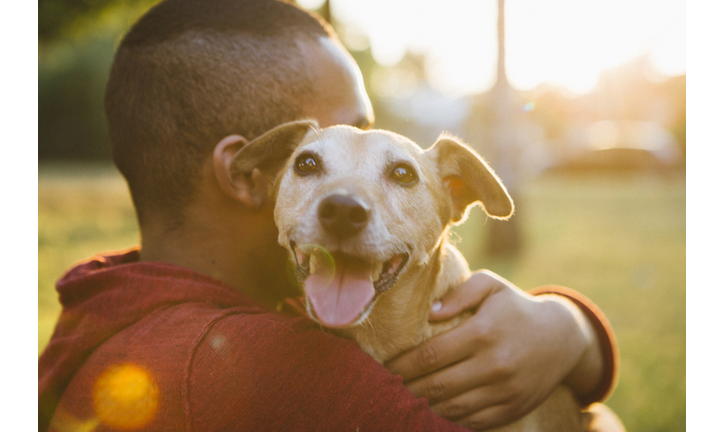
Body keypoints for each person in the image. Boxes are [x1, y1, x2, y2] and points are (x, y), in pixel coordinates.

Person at [38, 0, 619, 431]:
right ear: (250, 173)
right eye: (317, 160)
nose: (349, 198)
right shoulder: (294, 373)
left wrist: (570, 329)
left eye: (393, 170)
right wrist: (576, 336)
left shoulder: (100, 309)